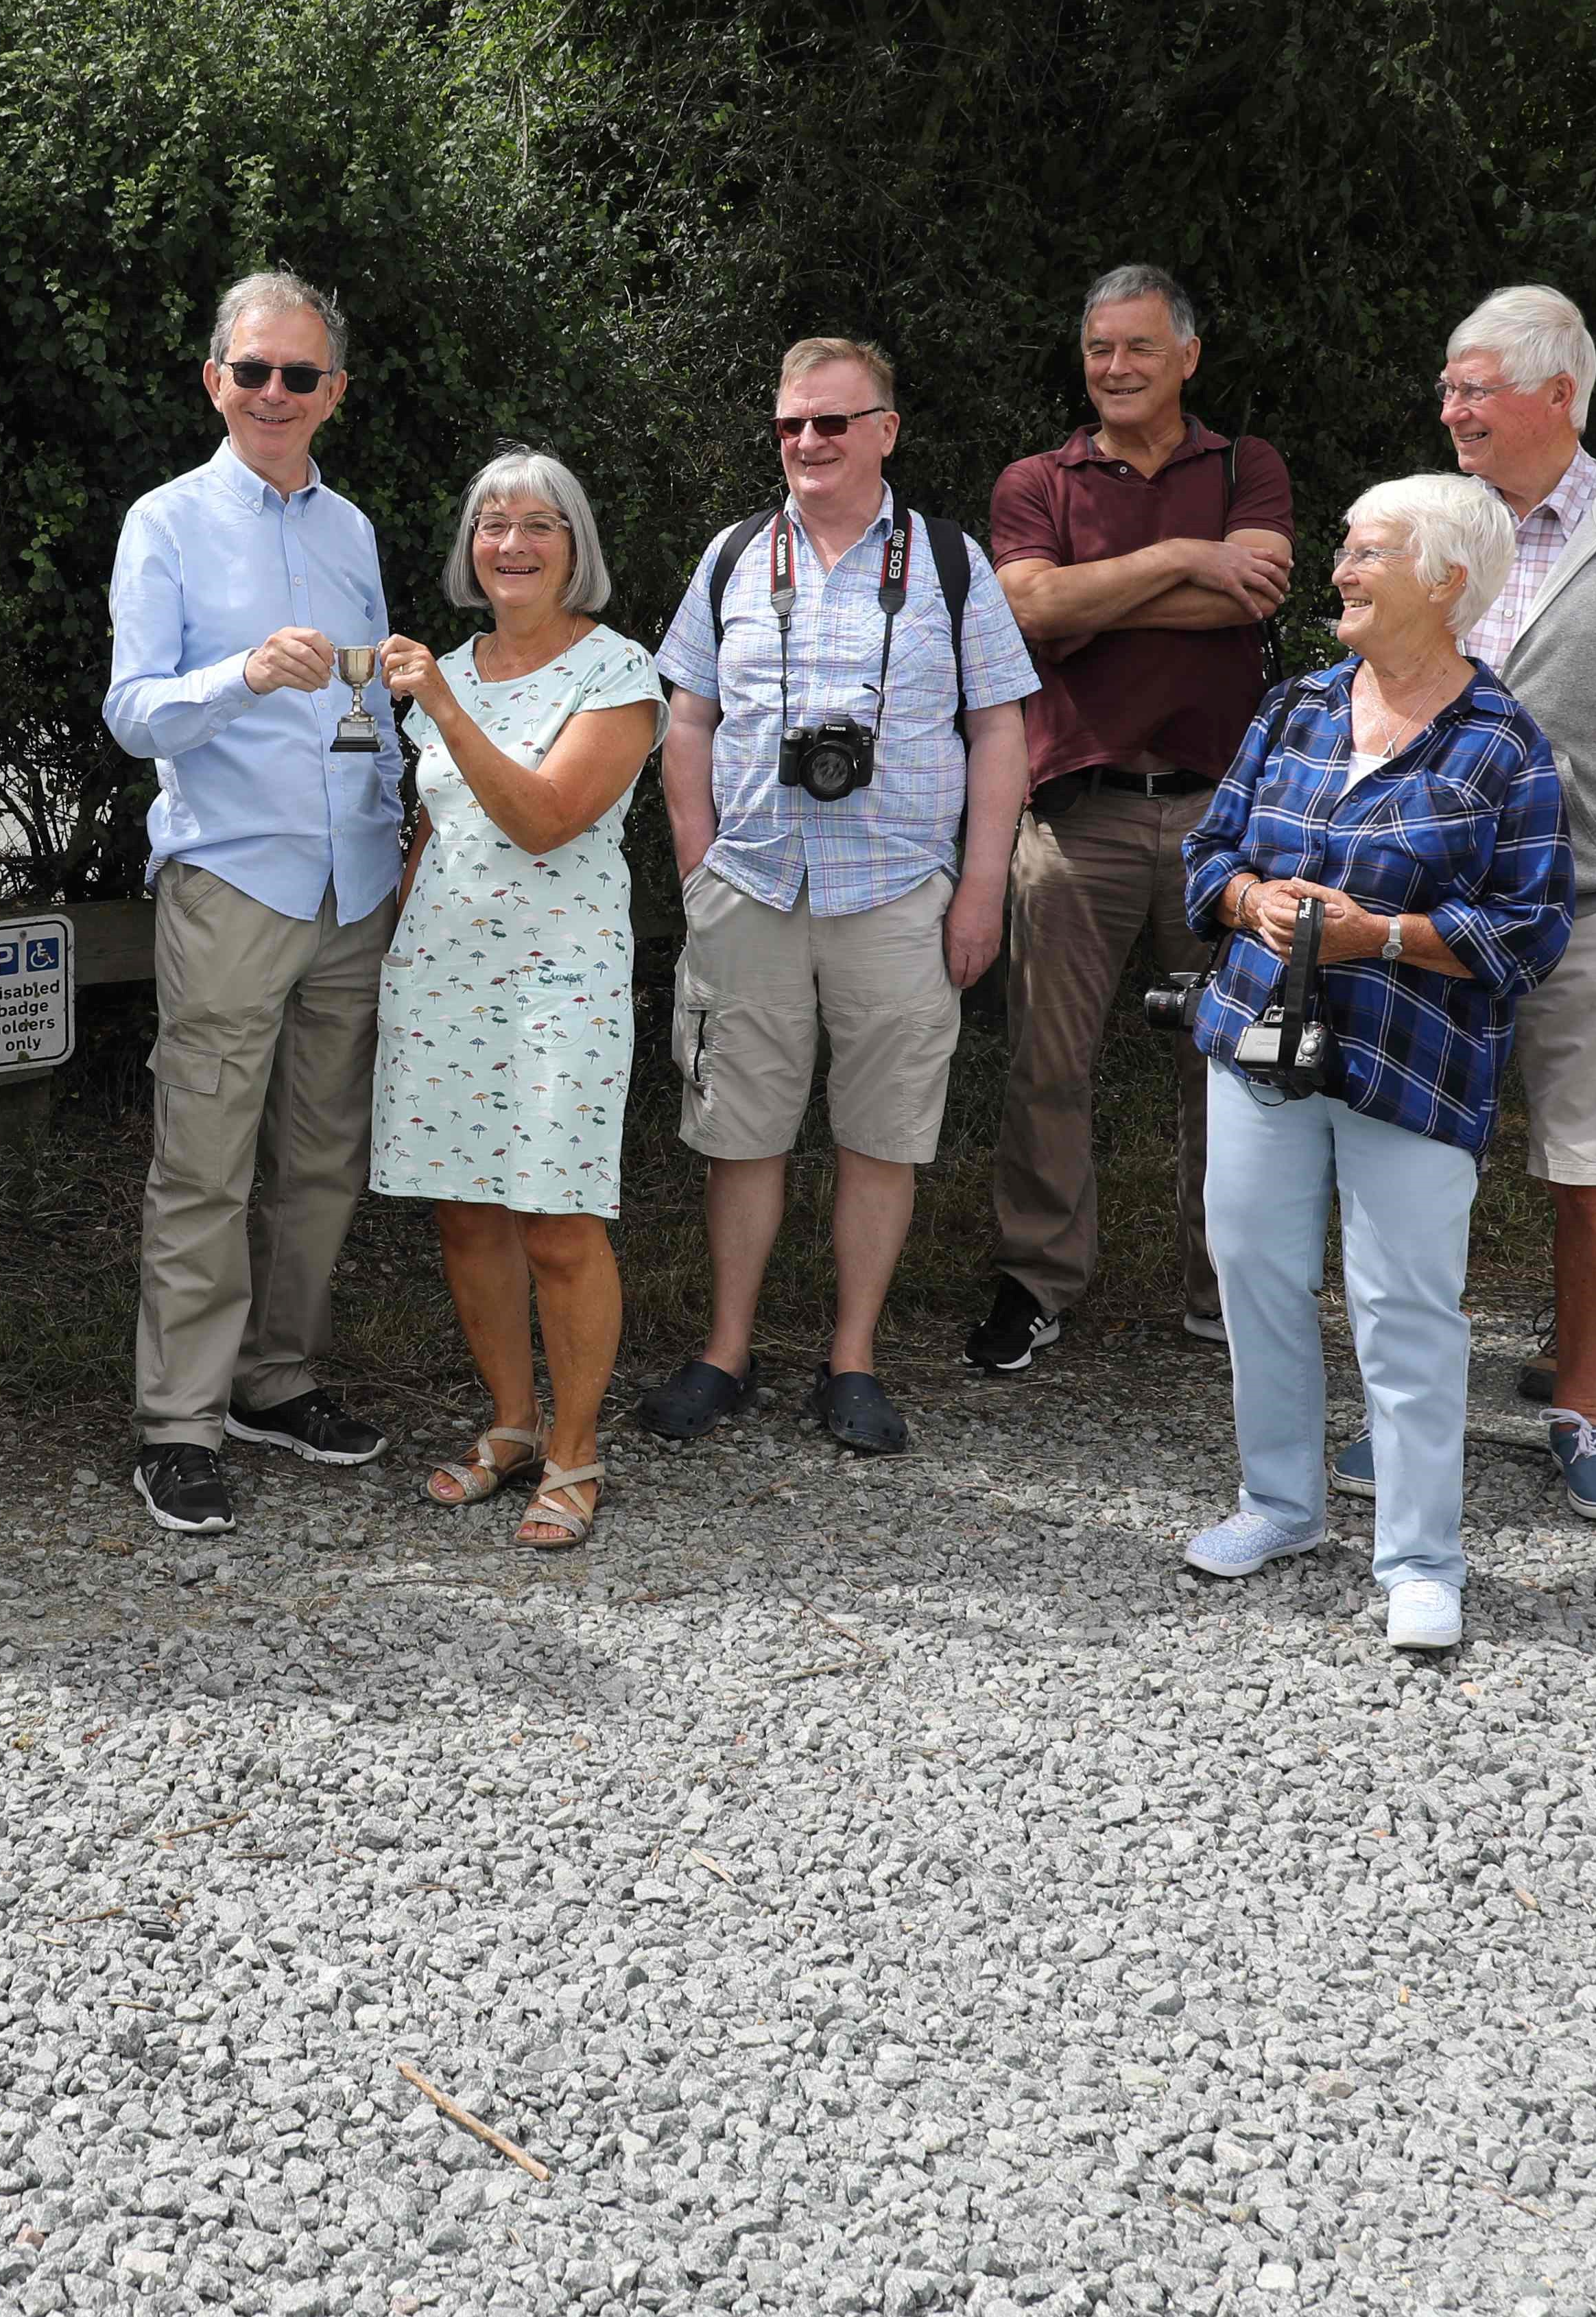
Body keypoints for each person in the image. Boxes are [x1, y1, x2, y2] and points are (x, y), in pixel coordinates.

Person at [1177, 477, 1575, 1655]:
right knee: (1251, 1266)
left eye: (1368, 554)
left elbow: (1533, 928)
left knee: (1405, 1306)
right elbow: (1206, 855)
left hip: (1415, 1059)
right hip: (1259, 1039)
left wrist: (1381, 937)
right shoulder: (1294, 705)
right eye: (1345, 551)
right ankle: (1280, 1508)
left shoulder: (1504, 743)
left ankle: (1418, 1559)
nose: (1340, 571)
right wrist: (1249, 901)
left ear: (1447, 582)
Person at [643, 335, 1040, 1458]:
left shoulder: (949, 563)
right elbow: (685, 717)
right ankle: (726, 1352)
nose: (807, 443)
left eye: (830, 421)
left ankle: (852, 1359)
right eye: (788, 425)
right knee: (740, 1135)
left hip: (898, 894)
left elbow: (998, 727)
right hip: (752, 887)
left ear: (885, 431)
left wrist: (978, 893)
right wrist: (696, 865)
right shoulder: (730, 556)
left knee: (882, 1137)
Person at [1390, 282, 1596, 1528]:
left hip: (1592, 901)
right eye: (1447, 388)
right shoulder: (1428, 520)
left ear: (1555, 393)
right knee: (1415, 1159)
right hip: (1428, 904)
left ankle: (1581, 1406)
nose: (1450, 409)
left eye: (1471, 386)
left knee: (1590, 1167)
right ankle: (1407, 1413)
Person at [102, 271, 405, 1536]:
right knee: (207, 1164)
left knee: (326, 1158)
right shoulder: (164, 522)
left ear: (333, 393)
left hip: (356, 880)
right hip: (234, 877)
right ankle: (176, 1419)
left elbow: (375, 701)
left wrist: (399, 813)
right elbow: (131, 712)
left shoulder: (353, 532)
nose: (273, 393)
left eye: (300, 374)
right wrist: (234, 675)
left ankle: (273, 1382)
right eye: (251, 370)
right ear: (212, 380)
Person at [973, 265, 1294, 1374]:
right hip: (1075, 818)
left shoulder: (1245, 466)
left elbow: (1253, 591)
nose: (1114, 368)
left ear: (1187, 358)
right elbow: (1023, 608)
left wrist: (1091, 594)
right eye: (1099, 348)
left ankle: (1229, 1288)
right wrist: (1176, 560)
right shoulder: (1036, 480)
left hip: (1223, 820)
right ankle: (1036, 1281)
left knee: (1232, 1062)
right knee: (1046, 1065)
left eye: (1139, 349)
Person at [369, 449, 663, 1549]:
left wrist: (443, 705)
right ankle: (510, 1425)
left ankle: (577, 1454)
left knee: (556, 1222)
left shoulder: (617, 672)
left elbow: (545, 819)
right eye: (491, 524)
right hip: (442, 972)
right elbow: (438, 830)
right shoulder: (454, 665)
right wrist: (393, 952)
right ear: (470, 550)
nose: (512, 544)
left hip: (560, 978)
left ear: (573, 547)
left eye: (538, 524)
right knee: (464, 1215)